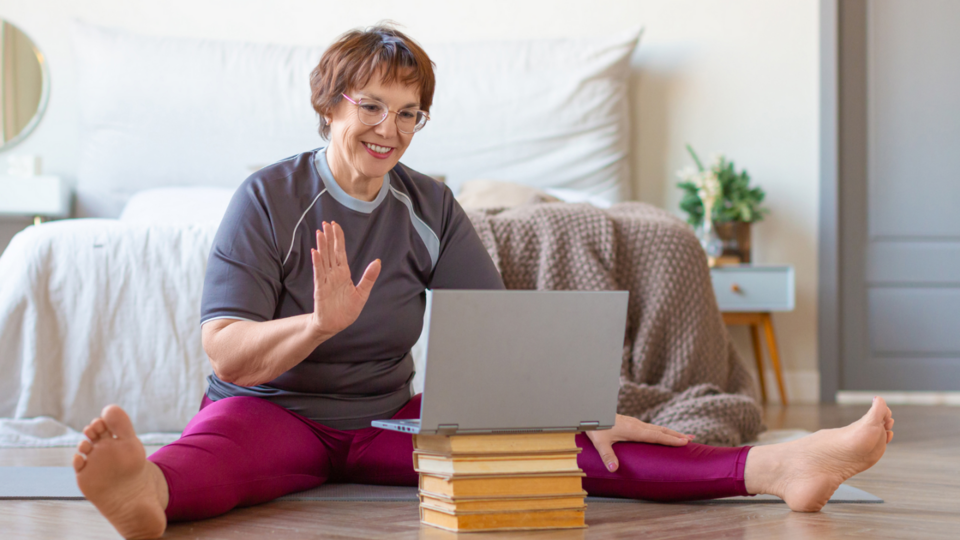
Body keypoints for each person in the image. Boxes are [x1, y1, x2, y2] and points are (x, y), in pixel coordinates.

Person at [72, 25, 895, 540]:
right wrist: (317, 325)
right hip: (269, 412)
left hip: (385, 419)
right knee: (207, 458)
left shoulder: (431, 206)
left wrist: (581, 413)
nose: (388, 130)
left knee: (570, 448)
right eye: (371, 107)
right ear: (330, 104)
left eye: (409, 112)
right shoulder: (268, 199)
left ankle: (778, 469)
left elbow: (498, 341)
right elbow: (227, 352)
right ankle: (147, 496)